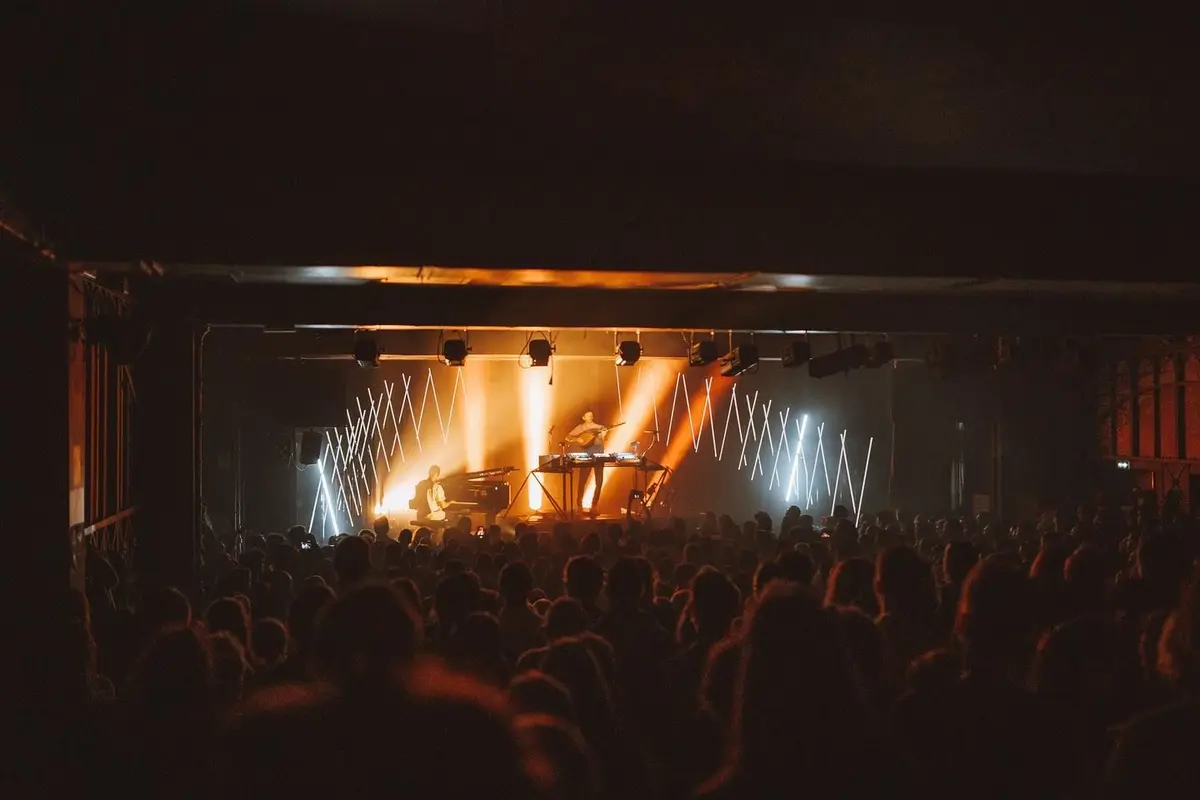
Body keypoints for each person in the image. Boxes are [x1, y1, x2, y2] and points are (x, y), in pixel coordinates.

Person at [566, 411, 609, 518]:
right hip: (586, 456)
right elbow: (568, 437)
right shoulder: (580, 428)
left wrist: (604, 435)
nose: (590, 417)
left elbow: (603, 439)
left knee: (599, 481)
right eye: (588, 415)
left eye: (591, 415)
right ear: (583, 417)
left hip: (599, 455)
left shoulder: (599, 427)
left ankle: (594, 505)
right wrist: (577, 439)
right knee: (582, 481)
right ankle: (579, 505)